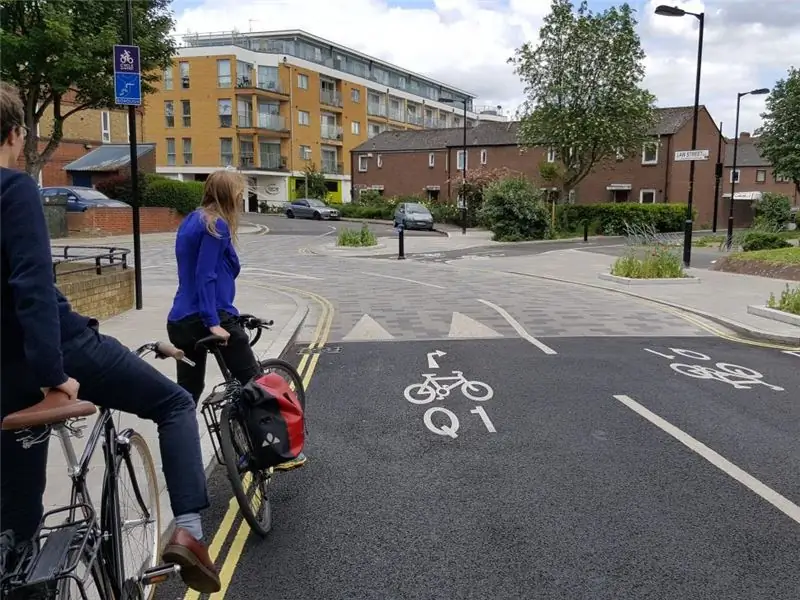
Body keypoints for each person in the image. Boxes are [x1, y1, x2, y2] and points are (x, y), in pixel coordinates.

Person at [0, 82, 220, 594]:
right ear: (14, 135)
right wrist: (56, 376)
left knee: (17, 520)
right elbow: (32, 290)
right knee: (171, 403)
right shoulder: (13, 191)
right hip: (57, 350)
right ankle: (188, 532)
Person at [166, 170, 306, 471]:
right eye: (240, 192)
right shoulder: (216, 224)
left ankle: (181, 462)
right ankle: (275, 452)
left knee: (188, 395)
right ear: (229, 195)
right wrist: (213, 321)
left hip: (180, 323)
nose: (242, 197)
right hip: (208, 316)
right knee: (255, 385)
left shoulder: (192, 219)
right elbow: (206, 275)